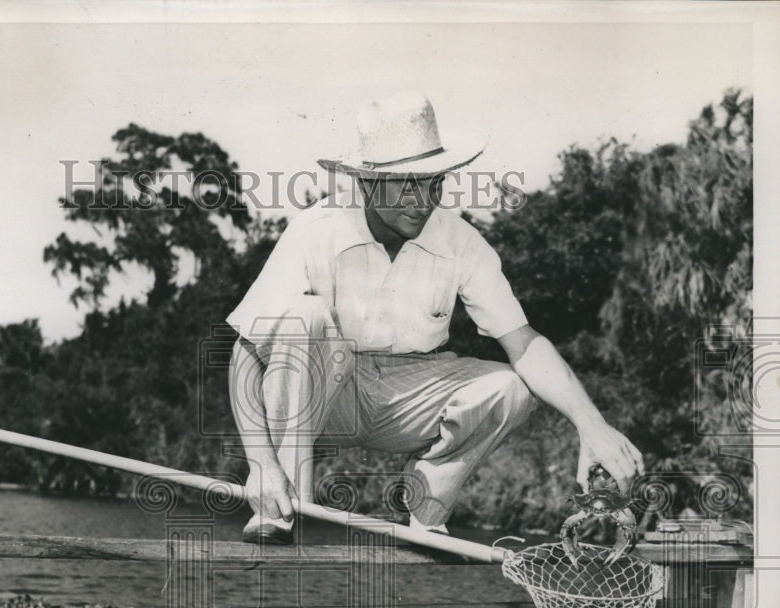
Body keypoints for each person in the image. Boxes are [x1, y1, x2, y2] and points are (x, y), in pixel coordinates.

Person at [226, 90, 644, 544]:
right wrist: (260, 464)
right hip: (326, 397)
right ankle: (283, 504)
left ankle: (428, 503)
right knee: (302, 317)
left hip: (411, 393)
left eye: (433, 182)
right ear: (366, 183)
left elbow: (523, 342)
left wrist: (591, 424)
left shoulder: (461, 240)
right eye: (406, 183)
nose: (421, 200)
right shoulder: (315, 229)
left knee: (512, 387)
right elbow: (245, 354)